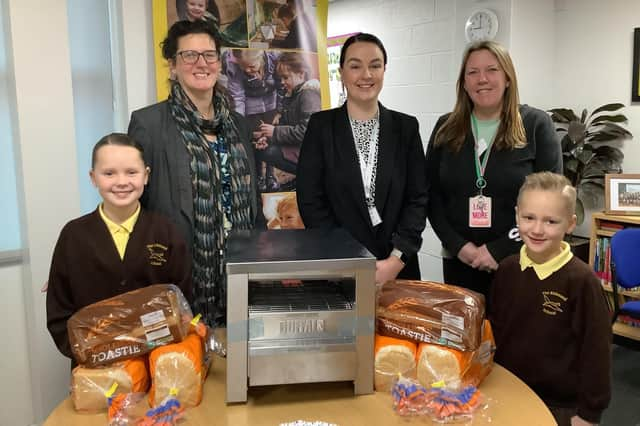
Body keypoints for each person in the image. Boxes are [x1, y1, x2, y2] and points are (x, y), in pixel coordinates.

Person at [127, 20, 260, 327]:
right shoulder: (149, 124)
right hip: (180, 278)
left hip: (241, 275)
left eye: (209, 55)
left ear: (219, 61)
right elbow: (130, 201)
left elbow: (252, 200)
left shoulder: (239, 125)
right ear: (173, 66)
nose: (201, 63)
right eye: (189, 55)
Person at [425, 40, 562, 299]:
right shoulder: (446, 127)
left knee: (515, 336)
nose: (482, 79)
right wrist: (458, 246)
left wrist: (500, 249)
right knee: (465, 335)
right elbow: (431, 197)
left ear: (508, 78)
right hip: (459, 261)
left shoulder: (535, 124)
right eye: (472, 72)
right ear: (463, 83)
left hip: (520, 258)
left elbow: (552, 201)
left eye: (492, 70)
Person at [46, 133, 192, 360]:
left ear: (146, 176)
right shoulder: (73, 236)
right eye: (109, 173)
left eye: (131, 172)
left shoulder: (166, 232)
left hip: (157, 364)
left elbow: (184, 302)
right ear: (93, 178)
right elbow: (59, 311)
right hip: (94, 372)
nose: (121, 182)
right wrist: (89, 354)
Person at [297, 33, 428, 284]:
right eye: (355, 66)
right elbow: (310, 200)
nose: (366, 75)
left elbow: (417, 199)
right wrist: (347, 259)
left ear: (384, 70)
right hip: (339, 270)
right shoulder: (321, 127)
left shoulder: (406, 128)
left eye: (375, 65)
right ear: (342, 72)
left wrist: (397, 259)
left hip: (397, 269)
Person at [489, 172, 611, 426]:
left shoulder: (581, 281)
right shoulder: (507, 269)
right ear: (516, 216)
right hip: (509, 390)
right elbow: (496, 329)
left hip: (560, 406)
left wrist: (589, 414)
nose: (537, 229)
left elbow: (596, 351)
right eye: (529, 218)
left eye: (551, 221)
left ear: (570, 223)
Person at [254, 52, 321, 192]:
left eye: (286, 77)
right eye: (281, 78)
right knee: (263, 149)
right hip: (298, 149)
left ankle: (307, 177)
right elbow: (286, 128)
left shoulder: (308, 95)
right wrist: (268, 138)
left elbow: (309, 132)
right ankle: (301, 179)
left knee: (270, 153)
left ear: (301, 74)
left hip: (311, 155)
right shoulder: (293, 95)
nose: (282, 82)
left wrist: (275, 132)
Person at [178, 0, 248, 48]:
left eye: (200, 6)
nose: (196, 8)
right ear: (186, 4)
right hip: (216, 44)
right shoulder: (188, 23)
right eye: (192, 4)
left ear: (205, 7)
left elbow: (216, 29)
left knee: (244, 22)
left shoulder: (208, 16)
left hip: (222, 39)